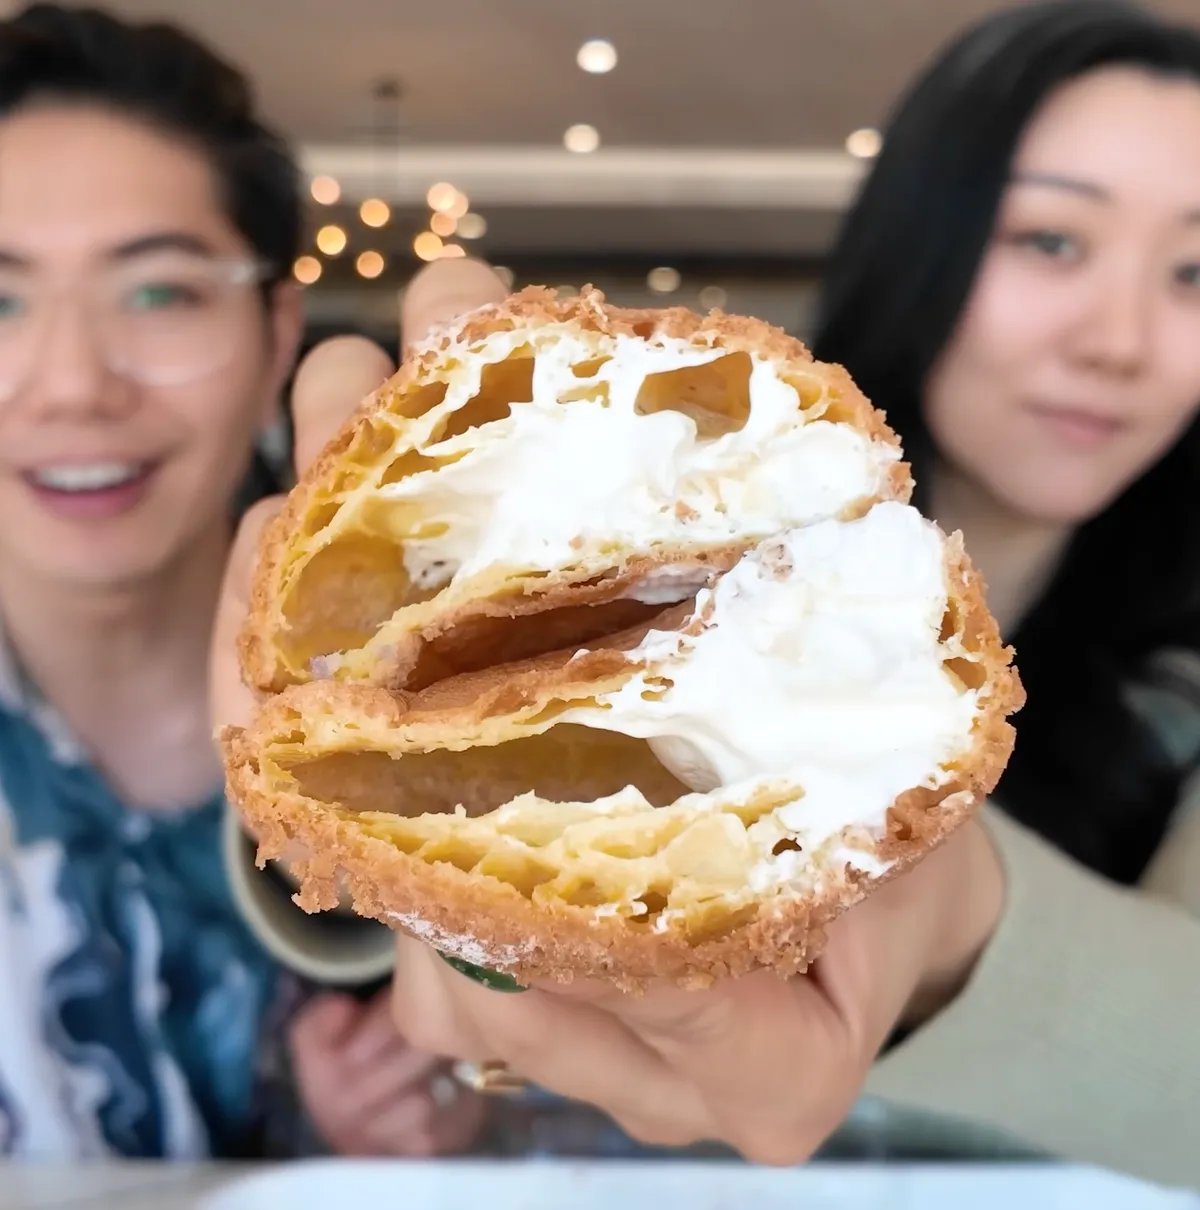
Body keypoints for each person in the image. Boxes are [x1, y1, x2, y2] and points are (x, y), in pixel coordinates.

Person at [213, 0, 1200, 1187]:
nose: (1120, 339)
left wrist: (960, 929)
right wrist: (382, 851)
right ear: (925, 235)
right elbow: (382, 849)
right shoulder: (699, 448)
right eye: (1052, 241)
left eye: (1195, 271)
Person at [0, 3, 485, 1159]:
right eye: (0, 299)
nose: (71, 384)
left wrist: (464, 1100)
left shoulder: (447, 690)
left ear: (277, 330)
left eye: (158, 291)